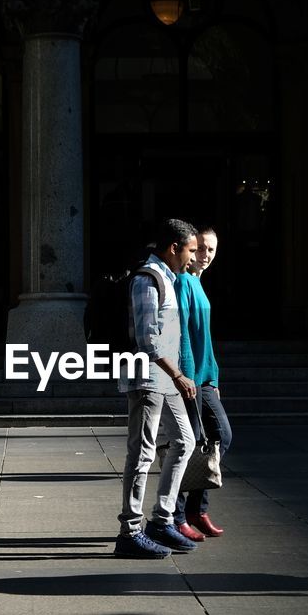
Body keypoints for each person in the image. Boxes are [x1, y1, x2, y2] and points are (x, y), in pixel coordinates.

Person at [114, 219, 199, 560]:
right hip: (148, 377)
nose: (194, 257)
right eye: (191, 250)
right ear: (173, 248)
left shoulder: (169, 277)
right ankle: (130, 531)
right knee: (142, 452)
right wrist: (178, 374)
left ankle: (161, 520)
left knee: (186, 440)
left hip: (168, 376)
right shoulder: (147, 279)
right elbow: (147, 337)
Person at [173, 227, 230, 539]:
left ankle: (194, 509)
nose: (206, 256)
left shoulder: (198, 282)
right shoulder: (183, 281)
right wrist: (187, 377)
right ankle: (183, 512)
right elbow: (181, 331)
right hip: (192, 378)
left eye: (212, 250)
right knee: (204, 441)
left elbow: (205, 339)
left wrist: (214, 377)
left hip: (206, 376)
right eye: (202, 249)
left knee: (210, 442)